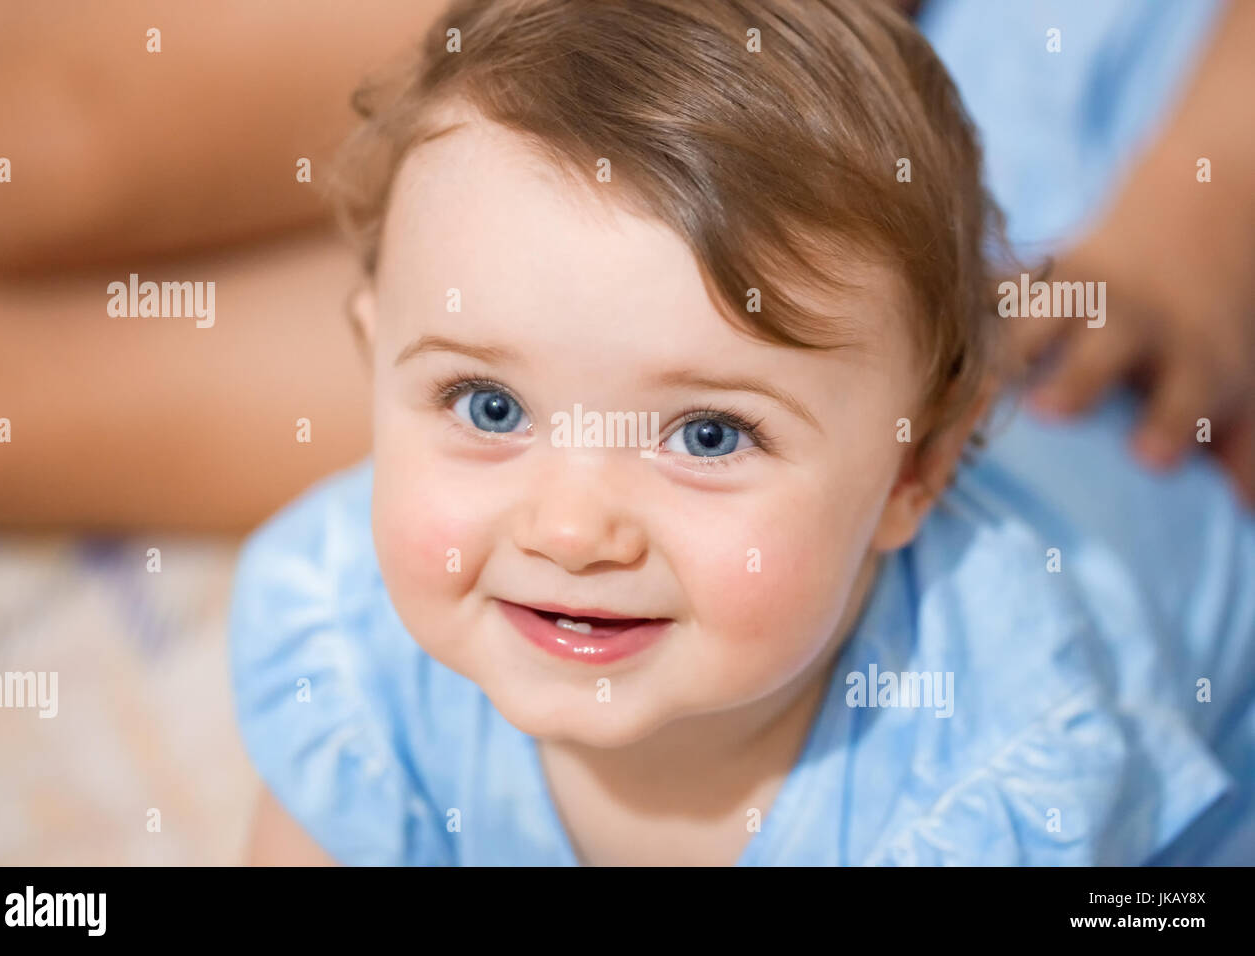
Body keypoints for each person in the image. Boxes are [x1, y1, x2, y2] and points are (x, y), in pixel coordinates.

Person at [230, 0, 1254, 865]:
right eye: (489, 406)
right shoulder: (349, 645)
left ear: (915, 468)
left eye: (710, 434)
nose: (571, 529)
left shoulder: (997, 771)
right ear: (374, 363)